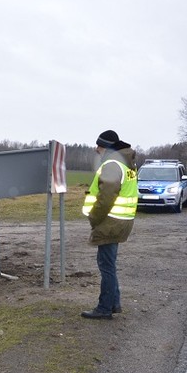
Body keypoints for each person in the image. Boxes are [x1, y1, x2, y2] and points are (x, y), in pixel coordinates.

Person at [81, 130, 138, 320]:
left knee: (106, 266)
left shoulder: (113, 164)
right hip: (121, 221)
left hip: (110, 222)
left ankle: (104, 308)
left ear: (105, 146)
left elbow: (105, 198)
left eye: (98, 145)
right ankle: (113, 304)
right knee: (109, 265)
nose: (96, 149)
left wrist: (94, 218)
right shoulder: (126, 163)